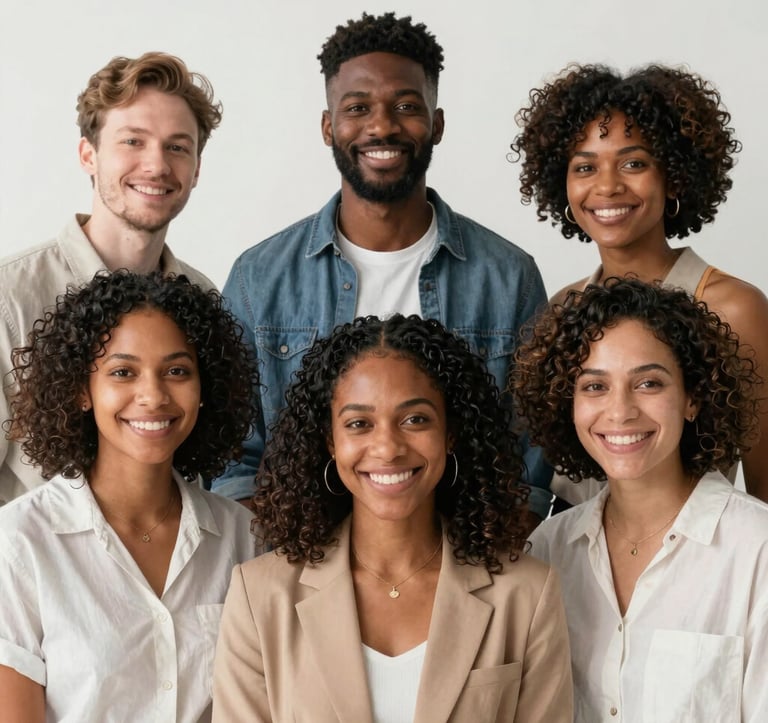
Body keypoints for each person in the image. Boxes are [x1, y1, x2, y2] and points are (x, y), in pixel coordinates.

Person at [213, 12, 552, 527]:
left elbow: (526, 474)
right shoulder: (259, 278)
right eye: (358, 107)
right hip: (302, 578)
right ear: (329, 127)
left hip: (466, 575)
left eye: (406, 106)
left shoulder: (508, 277)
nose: (382, 125)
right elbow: (234, 462)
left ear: (436, 123)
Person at [212, 315, 573, 723]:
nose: (387, 447)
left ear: (451, 432)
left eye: (415, 419)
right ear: (330, 440)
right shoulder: (261, 595)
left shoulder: (526, 593)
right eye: (358, 424)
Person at [0, 271, 260, 722]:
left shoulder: (242, 537)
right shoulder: (19, 543)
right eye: (123, 372)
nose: (153, 395)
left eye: (177, 371)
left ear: (205, 387)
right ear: (82, 390)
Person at [510, 63, 768, 507]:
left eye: (633, 163)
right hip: (574, 560)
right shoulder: (561, 309)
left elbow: (765, 482)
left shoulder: (733, 308)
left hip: (701, 564)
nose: (607, 186)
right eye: (585, 167)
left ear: (675, 176)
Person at [512, 278, 768, 722]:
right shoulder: (548, 551)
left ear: (692, 397)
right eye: (594, 387)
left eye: (648, 383)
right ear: (566, 403)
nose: (620, 411)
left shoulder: (757, 551)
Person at [0, 51, 223, 504]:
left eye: (177, 146)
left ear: (196, 168)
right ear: (88, 155)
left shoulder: (203, 298)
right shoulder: (10, 298)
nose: (156, 165)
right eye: (133, 142)